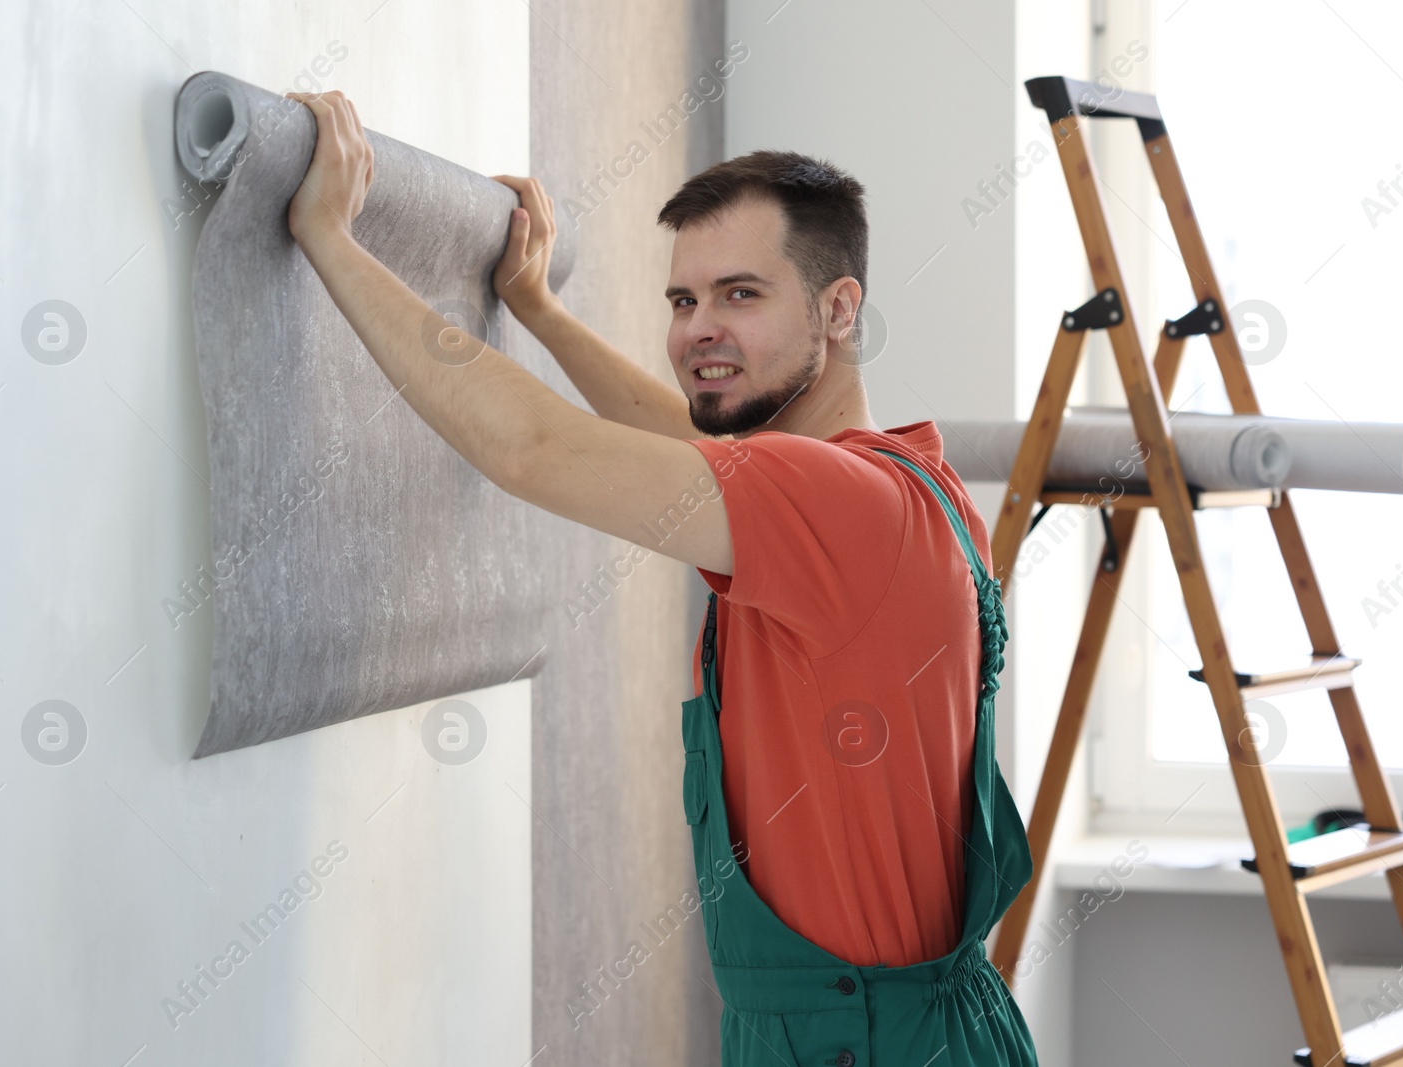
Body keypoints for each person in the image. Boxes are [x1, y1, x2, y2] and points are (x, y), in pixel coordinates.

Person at [286, 89, 1038, 1067]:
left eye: (741, 294)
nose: (697, 331)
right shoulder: (898, 480)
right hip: (894, 1026)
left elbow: (533, 449)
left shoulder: (831, 501)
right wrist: (539, 310)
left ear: (839, 307)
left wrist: (331, 237)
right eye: (682, 301)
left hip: (865, 1040)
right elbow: (678, 441)